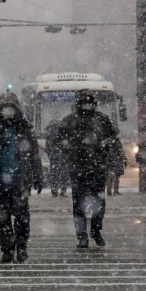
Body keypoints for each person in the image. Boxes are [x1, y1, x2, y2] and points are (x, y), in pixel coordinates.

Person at [0, 92, 43, 263]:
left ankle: (21, 247)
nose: (7, 112)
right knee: (3, 218)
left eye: (10, 108)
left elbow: (34, 154)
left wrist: (38, 175)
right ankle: (7, 249)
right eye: (4, 108)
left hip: (19, 180)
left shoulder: (25, 128)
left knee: (21, 217)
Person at [56, 90, 117, 248]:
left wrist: (105, 146)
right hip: (78, 169)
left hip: (97, 168)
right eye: (84, 102)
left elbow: (112, 137)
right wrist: (71, 150)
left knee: (99, 203)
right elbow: (59, 140)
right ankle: (82, 235)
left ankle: (96, 231)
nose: (87, 105)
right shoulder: (70, 120)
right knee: (79, 204)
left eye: (90, 102)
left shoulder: (101, 119)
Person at [45, 120, 69, 198]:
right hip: (62, 156)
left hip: (54, 156)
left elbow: (48, 146)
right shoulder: (63, 131)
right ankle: (63, 190)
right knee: (64, 173)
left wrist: (51, 154)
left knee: (54, 173)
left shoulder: (49, 133)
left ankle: (54, 190)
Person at [106, 130, 125, 196]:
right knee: (116, 177)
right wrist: (123, 158)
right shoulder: (116, 142)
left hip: (111, 161)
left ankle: (110, 191)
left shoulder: (109, 141)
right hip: (116, 161)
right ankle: (115, 191)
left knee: (111, 176)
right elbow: (120, 152)